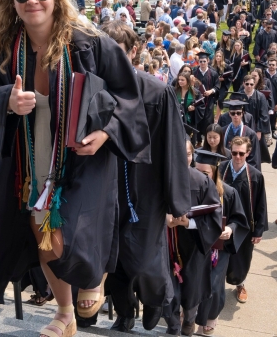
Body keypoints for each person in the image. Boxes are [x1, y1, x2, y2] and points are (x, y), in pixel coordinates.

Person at [0, 0, 149, 337]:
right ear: (12, 1)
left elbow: (127, 94)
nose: (32, 0)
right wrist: (8, 100)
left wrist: (106, 133)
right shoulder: (2, 50)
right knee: (44, 235)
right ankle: (65, 313)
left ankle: (94, 276)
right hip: (31, 157)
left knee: (73, 231)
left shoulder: (89, 44)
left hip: (81, 156)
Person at [88, 20, 191, 332]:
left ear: (133, 52)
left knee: (146, 257)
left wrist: (176, 201)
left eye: (116, 53)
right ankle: (124, 310)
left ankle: (159, 300)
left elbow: (173, 146)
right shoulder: (92, 90)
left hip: (145, 189)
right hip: (105, 187)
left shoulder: (156, 92)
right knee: (112, 259)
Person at [162, 142, 223, 336]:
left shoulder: (202, 181)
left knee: (192, 290)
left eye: (188, 154)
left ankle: (188, 320)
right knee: (166, 289)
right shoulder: (159, 178)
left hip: (195, 244)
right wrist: (164, 219)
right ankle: (172, 325)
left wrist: (187, 223)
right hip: (165, 244)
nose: (185, 158)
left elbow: (214, 217)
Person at [194, 150, 249, 336]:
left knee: (214, 284)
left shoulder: (228, 193)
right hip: (194, 246)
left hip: (219, 249)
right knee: (191, 281)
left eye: (205, 173)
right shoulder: (189, 188)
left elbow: (240, 220)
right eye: (196, 171)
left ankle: (209, 318)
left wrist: (231, 229)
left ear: (215, 172)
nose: (199, 176)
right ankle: (187, 315)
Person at [218, 136, 268, 305]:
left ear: (248, 152)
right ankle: (215, 286)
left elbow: (261, 205)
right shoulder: (221, 170)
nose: (237, 157)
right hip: (223, 224)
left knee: (241, 258)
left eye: (241, 153)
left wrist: (258, 230)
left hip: (244, 225)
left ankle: (239, 283)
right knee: (218, 256)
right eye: (234, 153)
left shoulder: (255, 176)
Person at [220, 100, 261, 167]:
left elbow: (254, 158)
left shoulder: (250, 134)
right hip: (226, 167)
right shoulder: (223, 131)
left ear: (242, 114)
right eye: (233, 113)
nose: (236, 115)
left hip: (243, 168)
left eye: (238, 113)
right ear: (229, 114)